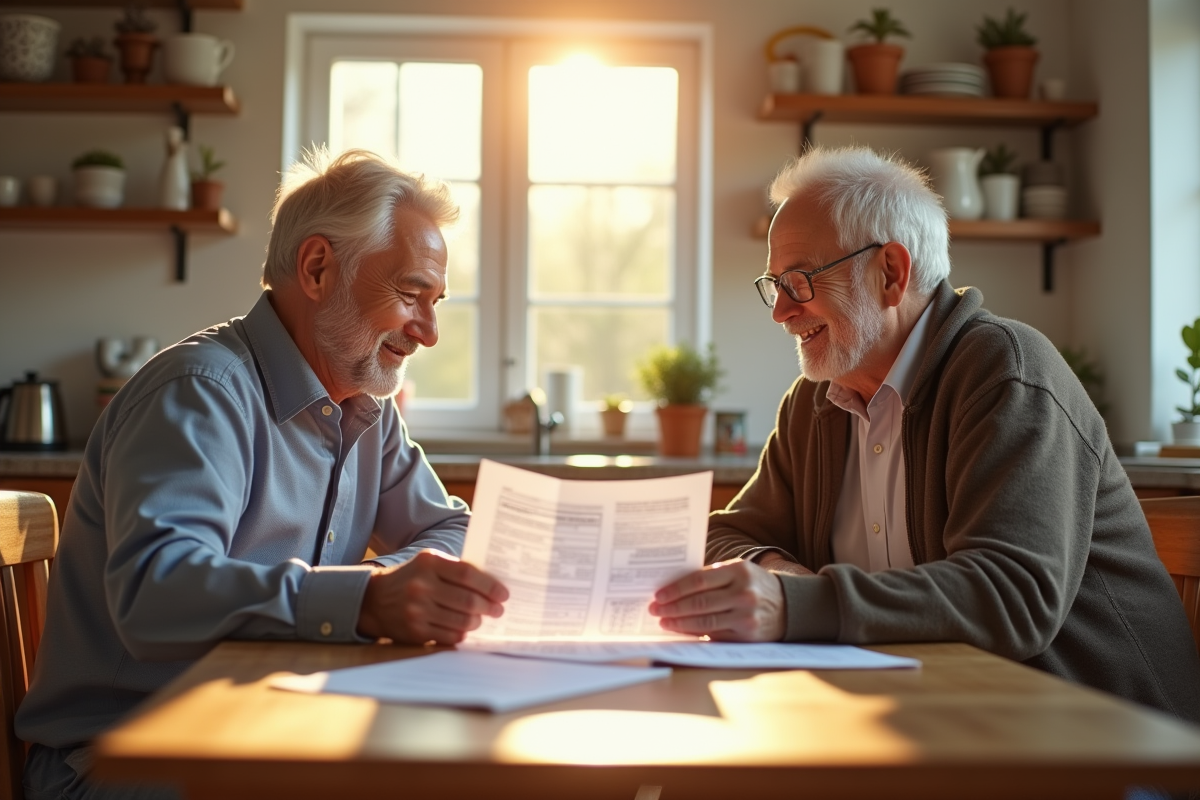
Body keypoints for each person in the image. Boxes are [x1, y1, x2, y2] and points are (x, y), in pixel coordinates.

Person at [16, 149, 509, 799]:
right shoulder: (198, 391)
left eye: (436, 301)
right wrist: (364, 601)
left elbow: (451, 526)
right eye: (411, 293)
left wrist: (396, 584)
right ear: (316, 269)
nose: (429, 332)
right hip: (121, 760)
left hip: (262, 732)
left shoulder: (364, 407)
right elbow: (154, 593)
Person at [650, 145, 1200, 723]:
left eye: (801, 280)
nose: (780, 311)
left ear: (890, 272)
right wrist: (774, 572)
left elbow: (1010, 599)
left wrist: (794, 605)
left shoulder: (1005, 372)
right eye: (775, 283)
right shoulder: (815, 404)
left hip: (1108, 742)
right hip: (943, 718)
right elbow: (726, 536)